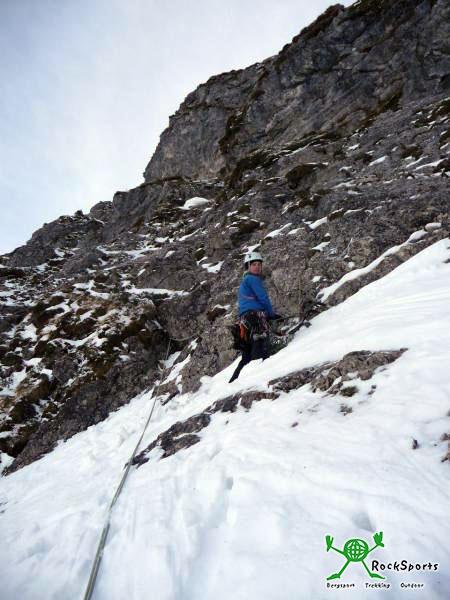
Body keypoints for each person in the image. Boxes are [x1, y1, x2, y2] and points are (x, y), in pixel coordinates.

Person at [229, 250, 281, 383]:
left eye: (259, 264)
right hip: (255, 316)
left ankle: (233, 382)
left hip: (245, 320)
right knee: (261, 345)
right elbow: (263, 298)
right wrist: (271, 314)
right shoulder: (252, 279)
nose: (257, 267)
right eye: (254, 264)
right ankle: (259, 378)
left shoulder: (244, 281)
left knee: (247, 354)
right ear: (248, 266)